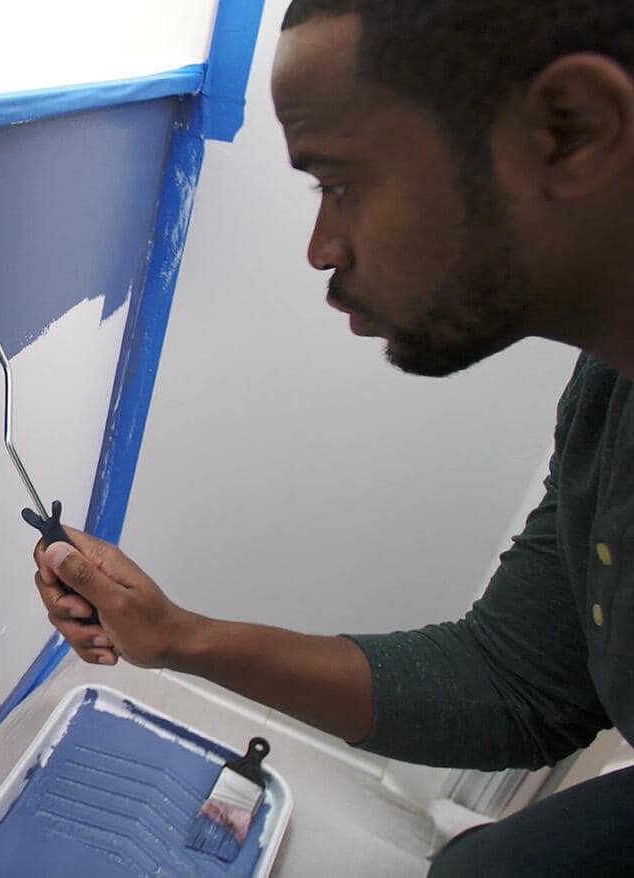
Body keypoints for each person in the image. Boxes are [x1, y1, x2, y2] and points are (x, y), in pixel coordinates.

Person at [31, 2, 634, 874]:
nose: (320, 247)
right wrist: (173, 636)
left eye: (340, 182)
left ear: (571, 131)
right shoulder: (607, 392)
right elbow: (518, 680)